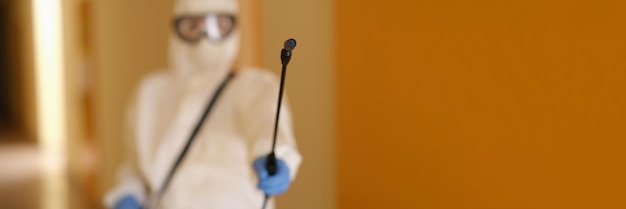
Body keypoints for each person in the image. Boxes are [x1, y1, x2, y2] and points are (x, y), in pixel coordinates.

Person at [103, 0, 302, 208]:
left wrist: (272, 156)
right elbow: (134, 168)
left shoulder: (254, 86)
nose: (206, 36)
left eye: (219, 25)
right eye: (192, 26)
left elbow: (266, 122)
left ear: (234, 28)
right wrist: (127, 194)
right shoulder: (149, 93)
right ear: (176, 28)